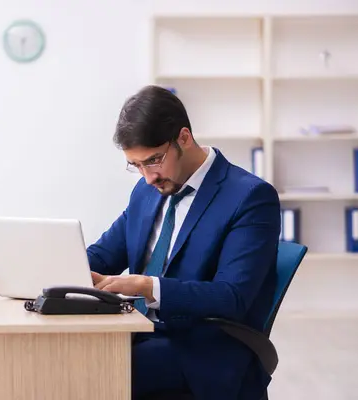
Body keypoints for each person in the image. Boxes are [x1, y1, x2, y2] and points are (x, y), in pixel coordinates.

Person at [87, 85, 281, 400]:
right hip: (139, 331)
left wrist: (147, 287)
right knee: (58, 353)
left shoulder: (249, 197)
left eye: (153, 160)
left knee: (86, 371)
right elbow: (105, 254)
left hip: (203, 349)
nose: (148, 176)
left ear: (184, 138)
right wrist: (58, 266)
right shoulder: (146, 191)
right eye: (135, 165)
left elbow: (232, 296)